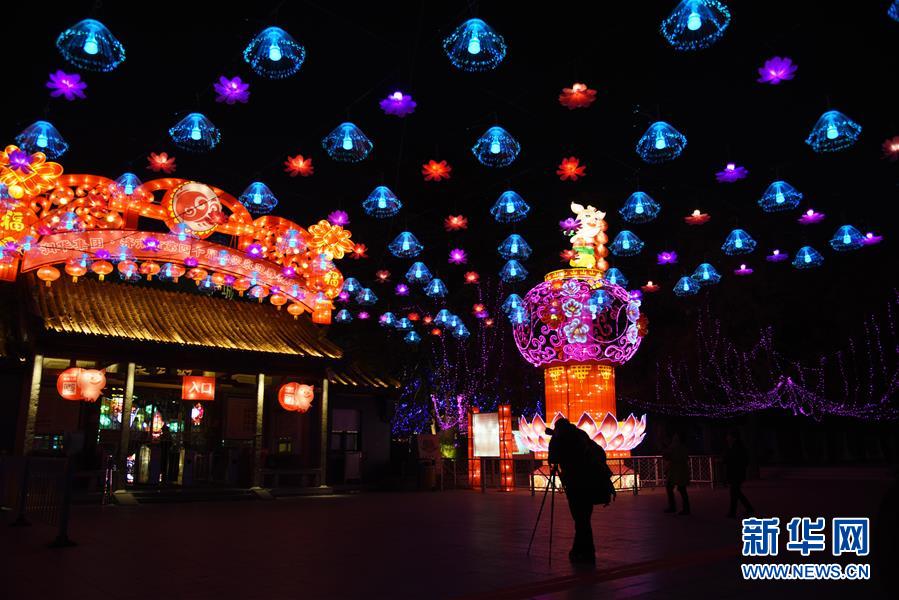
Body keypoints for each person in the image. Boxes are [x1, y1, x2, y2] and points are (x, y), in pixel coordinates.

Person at [547, 417, 614, 565]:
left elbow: (552, 458)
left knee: (580, 518)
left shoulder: (559, 438)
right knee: (584, 518)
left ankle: (584, 551)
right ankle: (581, 550)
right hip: (589, 481)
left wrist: (554, 440)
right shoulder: (581, 434)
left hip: (574, 483)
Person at [724, 430, 754, 518]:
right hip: (736, 473)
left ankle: (732, 512)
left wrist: (726, 460)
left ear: (733, 437)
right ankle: (749, 508)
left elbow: (735, 459)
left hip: (736, 473)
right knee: (736, 492)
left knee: (734, 492)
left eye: (728, 436)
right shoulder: (733, 446)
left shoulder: (737, 447)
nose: (727, 438)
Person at [663, 432, 690, 515]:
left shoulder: (676, 447)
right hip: (677, 471)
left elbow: (668, 456)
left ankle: (679, 508)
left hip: (677, 471)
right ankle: (680, 507)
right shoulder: (680, 447)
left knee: (679, 489)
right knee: (678, 489)